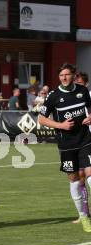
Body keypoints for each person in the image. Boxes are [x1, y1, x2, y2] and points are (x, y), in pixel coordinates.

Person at [38, 63, 91, 232]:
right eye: (61, 76)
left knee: (90, 174)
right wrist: (60, 125)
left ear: (74, 76)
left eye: (67, 75)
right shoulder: (53, 96)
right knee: (74, 179)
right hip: (66, 145)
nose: (64, 78)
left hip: (85, 140)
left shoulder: (82, 92)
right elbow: (41, 119)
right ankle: (83, 217)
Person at [72, 71, 91, 223]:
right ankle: (84, 213)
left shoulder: (88, 96)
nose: (77, 86)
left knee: (88, 174)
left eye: (80, 84)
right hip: (79, 142)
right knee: (80, 179)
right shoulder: (73, 98)